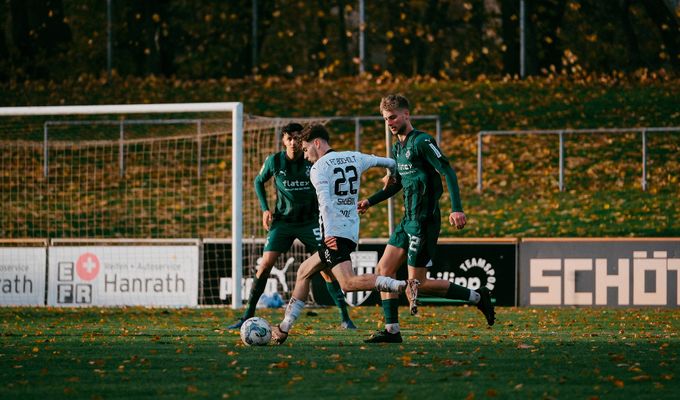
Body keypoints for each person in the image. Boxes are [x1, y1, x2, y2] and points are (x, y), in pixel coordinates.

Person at [357, 94, 495, 344]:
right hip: (406, 219)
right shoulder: (397, 147)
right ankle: (391, 331)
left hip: (424, 220)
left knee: (417, 282)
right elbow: (396, 184)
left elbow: (448, 171)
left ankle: (477, 296)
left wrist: (457, 209)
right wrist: (370, 200)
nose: (390, 123)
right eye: (386, 119)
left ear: (406, 115)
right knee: (384, 270)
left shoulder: (422, 141)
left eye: (394, 117)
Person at [271, 124, 419, 345]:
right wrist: (391, 175)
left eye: (306, 149)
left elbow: (325, 203)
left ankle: (404, 285)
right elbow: (389, 162)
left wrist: (328, 234)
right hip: (349, 230)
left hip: (334, 233)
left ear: (317, 143)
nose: (306, 155)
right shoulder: (354, 156)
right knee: (304, 271)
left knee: (348, 283)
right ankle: (283, 328)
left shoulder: (319, 168)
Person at [228, 122, 356, 330]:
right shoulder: (274, 161)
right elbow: (258, 181)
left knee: (325, 268)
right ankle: (247, 314)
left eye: (297, 138)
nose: (294, 142)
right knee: (265, 264)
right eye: (289, 138)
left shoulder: (313, 161)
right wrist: (265, 208)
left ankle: (345, 318)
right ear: (283, 141)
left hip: (310, 222)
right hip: (283, 222)